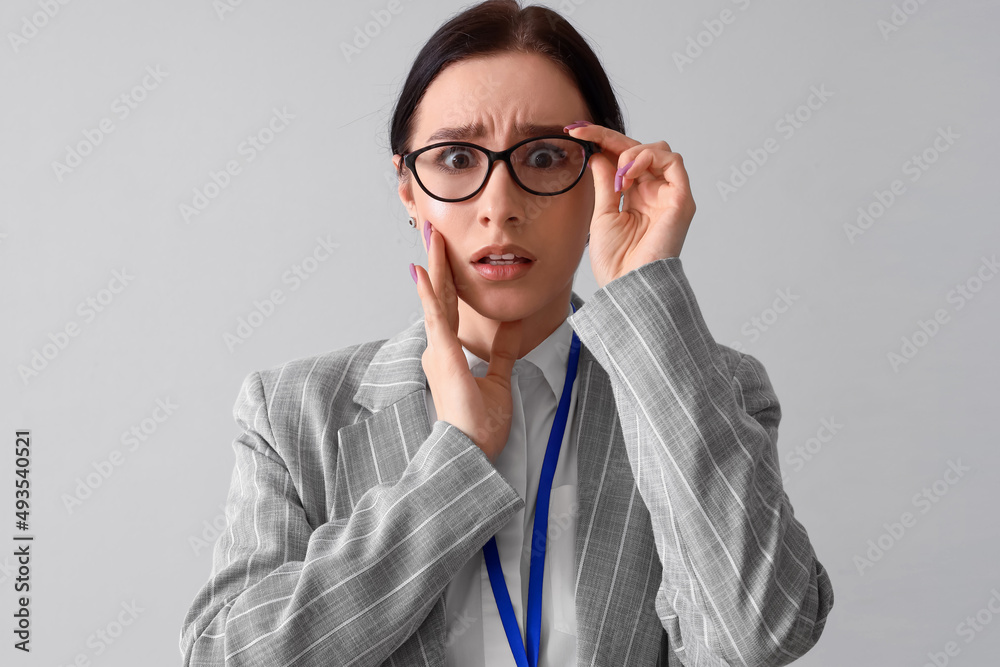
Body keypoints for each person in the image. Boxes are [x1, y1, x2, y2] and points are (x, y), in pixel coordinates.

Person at [179, 1, 834, 665]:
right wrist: (451, 466)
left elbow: (761, 631)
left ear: (605, 177)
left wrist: (647, 288)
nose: (500, 207)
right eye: (457, 157)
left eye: (545, 156)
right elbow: (222, 656)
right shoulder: (294, 413)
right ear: (409, 191)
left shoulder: (710, 388)